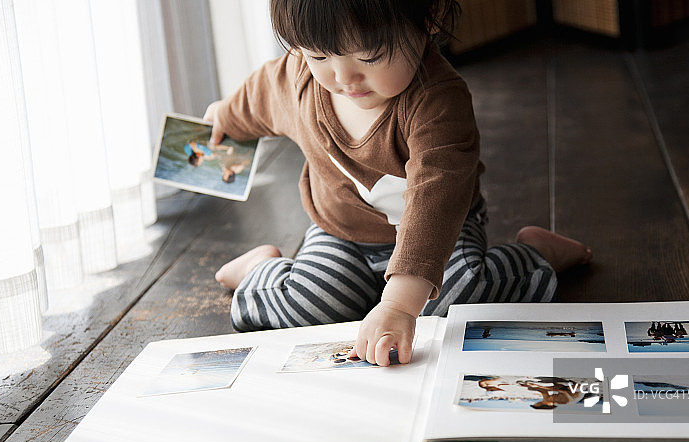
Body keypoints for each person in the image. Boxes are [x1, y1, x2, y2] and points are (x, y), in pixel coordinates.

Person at [206, 0, 592, 367]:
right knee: (312, 304)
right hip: (343, 234)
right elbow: (258, 96)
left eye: (370, 56)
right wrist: (225, 116)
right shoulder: (300, 80)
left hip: (441, 234)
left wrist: (399, 306)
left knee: (458, 299)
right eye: (319, 55)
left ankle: (534, 256)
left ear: (425, 22)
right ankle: (261, 269)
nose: (343, 78)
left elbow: (434, 203)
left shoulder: (437, 102)